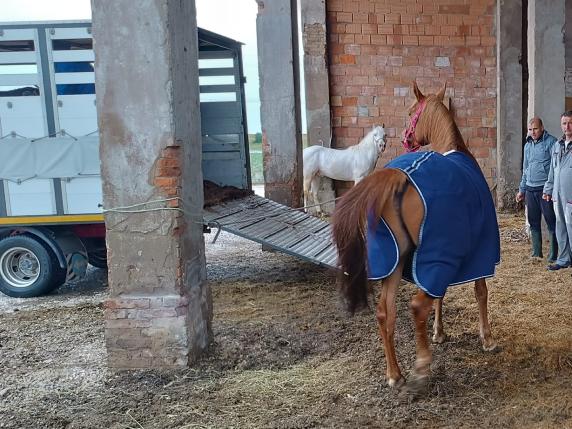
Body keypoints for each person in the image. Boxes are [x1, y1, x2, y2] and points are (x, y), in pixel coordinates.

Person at [516, 117, 557, 262]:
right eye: (530, 129)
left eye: (536, 129)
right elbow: (525, 169)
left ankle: (553, 256)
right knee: (533, 222)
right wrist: (522, 189)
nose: (533, 132)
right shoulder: (527, 145)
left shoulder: (552, 142)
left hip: (545, 190)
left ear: (542, 128)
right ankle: (536, 254)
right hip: (530, 189)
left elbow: (555, 168)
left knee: (551, 221)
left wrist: (551, 188)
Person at [543, 111, 572, 271]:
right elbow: (553, 171)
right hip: (557, 195)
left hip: (571, 195)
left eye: (570, 123)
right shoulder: (557, 145)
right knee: (561, 226)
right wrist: (548, 189)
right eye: (564, 123)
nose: (567, 126)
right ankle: (563, 259)